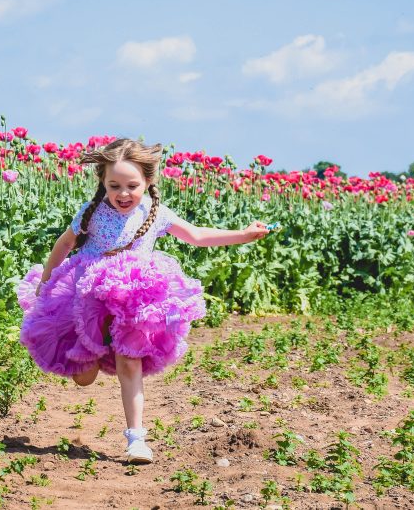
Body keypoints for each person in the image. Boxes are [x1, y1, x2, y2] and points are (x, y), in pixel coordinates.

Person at [16, 138, 272, 464]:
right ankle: (92, 356)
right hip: (88, 299)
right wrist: (46, 282)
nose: (123, 194)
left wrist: (243, 234)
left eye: (131, 186)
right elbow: (64, 243)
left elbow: (197, 236)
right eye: (115, 185)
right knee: (83, 377)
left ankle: (136, 439)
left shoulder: (158, 214)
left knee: (129, 360)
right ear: (103, 183)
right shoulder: (92, 212)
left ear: (148, 181)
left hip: (133, 300)